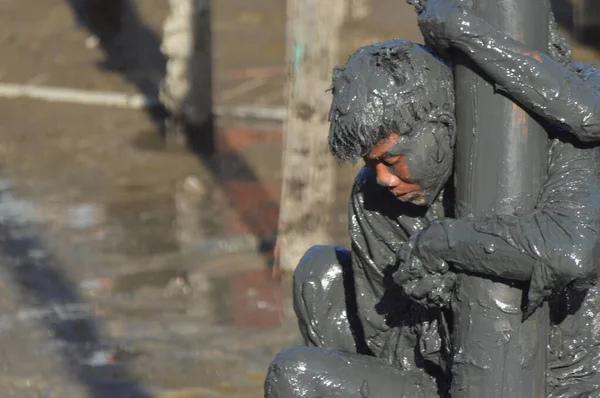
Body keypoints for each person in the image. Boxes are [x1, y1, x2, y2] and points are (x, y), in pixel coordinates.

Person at [265, 1, 600, 397]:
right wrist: (436, 309)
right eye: (373, 163)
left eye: (393, 160)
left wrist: (443, 244)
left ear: (440, 124)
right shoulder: (375, 199)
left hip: (571, 377)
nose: (384, 178)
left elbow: (572, 252)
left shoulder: (560, 139)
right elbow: (387, 344)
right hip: (447, 370)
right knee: (316, 285)